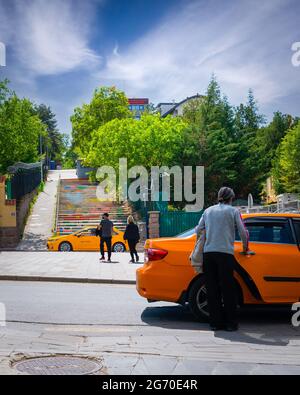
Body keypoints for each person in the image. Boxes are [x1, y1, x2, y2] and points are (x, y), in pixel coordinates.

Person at [196, 187, 249, 332]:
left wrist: (209, 233)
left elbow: (198, 229)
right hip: (225, 254)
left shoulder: (208, 211)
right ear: (231, 198)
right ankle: (231, 323)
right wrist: (245, 248)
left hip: (209, 253)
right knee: (228, 289)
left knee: (212, 289)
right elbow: (243, 232)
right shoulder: (233, 211)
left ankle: (215, 323)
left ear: (219, 197)